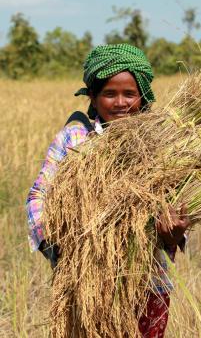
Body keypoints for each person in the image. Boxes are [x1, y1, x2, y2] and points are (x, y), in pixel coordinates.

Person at [26, 43, 190, 337]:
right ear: (92, 96)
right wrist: (58, 247)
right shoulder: (75, 138)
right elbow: (38, 196)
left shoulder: (161, 147)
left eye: (129, 94)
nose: (120, 103)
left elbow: (178, 208)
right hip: (84, 286)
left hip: (148, 286)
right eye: (109, 94)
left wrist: (174, 232)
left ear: (143, 96)